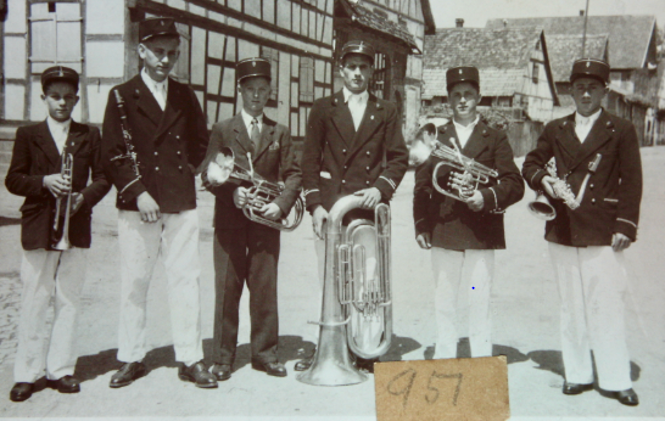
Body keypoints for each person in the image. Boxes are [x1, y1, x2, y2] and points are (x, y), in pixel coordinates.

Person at [101, 17, 215, 389]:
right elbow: (114, 153)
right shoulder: (120, 95)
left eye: (173, 54)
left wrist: (187, 174)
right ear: (142, 52)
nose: (166, 60)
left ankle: (190, 356)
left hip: (180, 200)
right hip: (139, 204)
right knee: (135, 281)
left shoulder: (184, 95)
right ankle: (132, 356)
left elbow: (201, 142)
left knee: (186, 280)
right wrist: (139, 192)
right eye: (159, 53)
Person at [522, 58, 642, 406]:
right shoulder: (555, 128)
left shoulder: (621, 129)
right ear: (570, 91)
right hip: (563, 228)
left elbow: (632, 182)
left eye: (592, 88)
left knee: (606, 305)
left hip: (603, 229)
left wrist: (625, 225)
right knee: (570, 307)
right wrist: (545, 181)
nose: (585, 94)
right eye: (578, 88)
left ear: (604, 90)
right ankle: (576, 374)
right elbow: (531, 162)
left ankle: (617, 378)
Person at [298, 40, 409, 372]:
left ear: (370, 71)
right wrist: (315, 205)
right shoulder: (322, 108)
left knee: (367, 281)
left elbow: (399, 158)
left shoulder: (386, 109)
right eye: (351, 66)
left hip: (366, 210)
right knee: (331, 280)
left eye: (363, 66)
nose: (357, 73)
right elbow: (308, 160)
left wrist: (381, 188)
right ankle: (333, 349)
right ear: (341, 69)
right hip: (331, 211)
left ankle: (366, 348)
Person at [5, 66, 111, 401]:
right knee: (34, 299)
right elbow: (13, 179)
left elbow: (104, 177)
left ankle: (61, 369)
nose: (62, 102)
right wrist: (44, 182)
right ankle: (26, 372)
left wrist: (84, 197)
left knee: (69, 299)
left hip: (74, 226)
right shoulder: (27, 134)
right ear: (44, 98)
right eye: (55, 97)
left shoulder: (89, 134)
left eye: (68, 97)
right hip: (38, 225)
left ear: (77, 99)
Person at [198, 57, 301, 381]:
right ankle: (223, 357)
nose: (257, 95)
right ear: (240, 90)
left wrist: (282, 205)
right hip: (230, 221)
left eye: (262, 89)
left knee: (264, 287)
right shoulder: (223, 129)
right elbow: (207, 173)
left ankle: (266, 354)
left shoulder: (279, 131)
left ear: (270, 91)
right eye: (250, 89)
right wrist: (230, 193)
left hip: (266, 222)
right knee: (227, 289)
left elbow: (295, 173)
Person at [412, 66, 524, 360]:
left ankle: (481, 362)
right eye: (456, 95)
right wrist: (421, 224)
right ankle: (445, 358)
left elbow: (515, 183)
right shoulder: (436, 136)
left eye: (469, 95)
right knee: (444, 301)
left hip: (480, 234)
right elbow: (422, 185)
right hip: (444, 230)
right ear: (448, 99)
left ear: (479, 98)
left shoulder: (495, 137)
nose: (462, 100)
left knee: (478, 300)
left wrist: (485, 196)